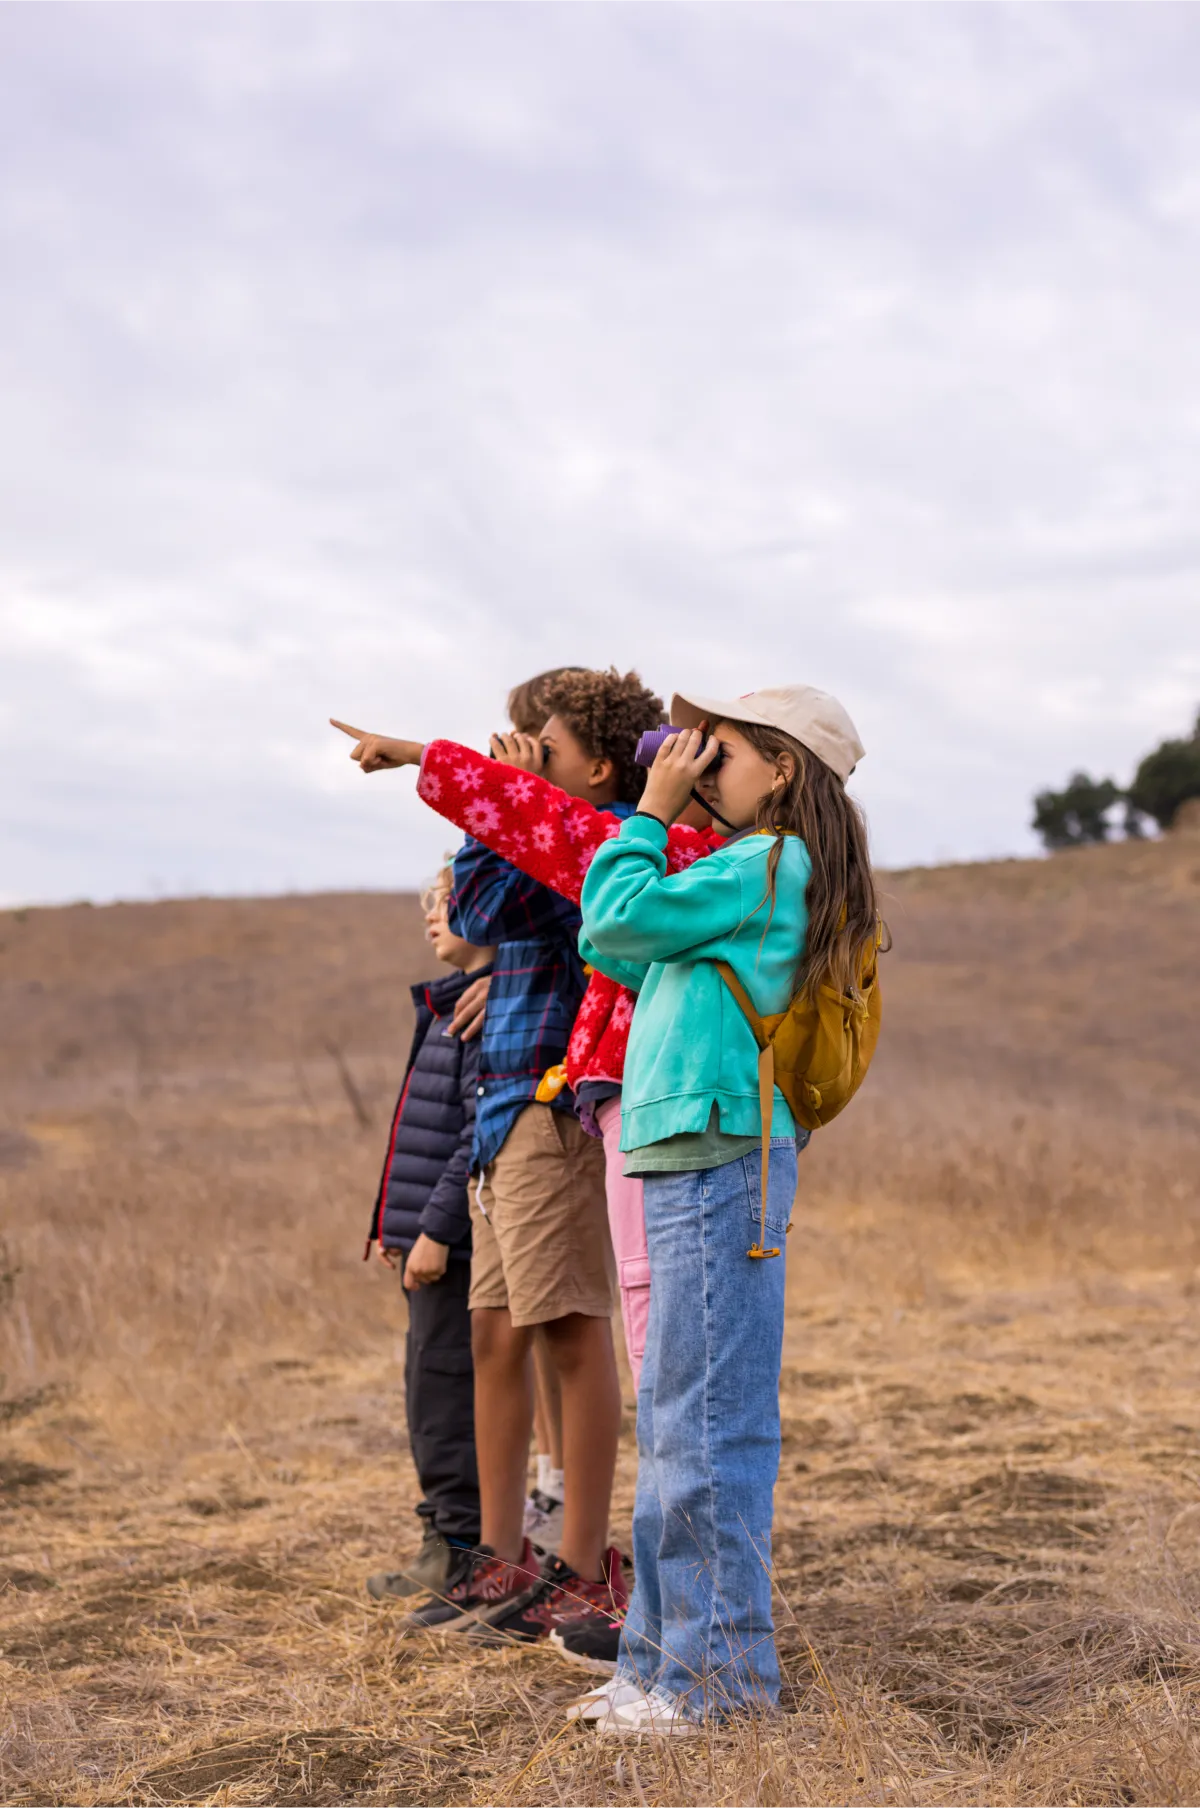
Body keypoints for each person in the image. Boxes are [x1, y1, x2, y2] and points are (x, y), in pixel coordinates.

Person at [330, 666, 665, 1648]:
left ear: (598, 768)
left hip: (552, 1107)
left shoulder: (590, 849)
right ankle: (501, 1553)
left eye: (543, 746)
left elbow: (479, 910)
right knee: (493, 1333)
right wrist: (499, 801)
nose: (522, 757)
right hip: (499, 1107)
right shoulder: (532, 830)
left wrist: (498, 804)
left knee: (568, 1327)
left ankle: (583, 1561)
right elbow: (475, 906)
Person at [574, 684, 876, 1738]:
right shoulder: (739, 868)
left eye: (725, 750)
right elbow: (613, 946)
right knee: (676, 1424)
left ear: (782, 768)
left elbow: (614, 912)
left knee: (708, 1428)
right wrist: (671, 823)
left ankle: (719, 1684)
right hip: (690, 1149)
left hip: (720, 1154)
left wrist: (652, 809)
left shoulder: (769, 863)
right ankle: (661, 1666)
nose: (703, 762)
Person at [362, 864, 494, 1604]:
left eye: (444, 904)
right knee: (426, 1390)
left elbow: (472, 1135)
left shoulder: (481, 1010)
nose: (430, 918)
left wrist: (437, 1231)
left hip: (456, 1245)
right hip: (429, 1237)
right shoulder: (450, 1005)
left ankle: (460, 1549)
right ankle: (440, 1538)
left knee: (442, 1394)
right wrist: (396, 1226)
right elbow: (419, 1136)